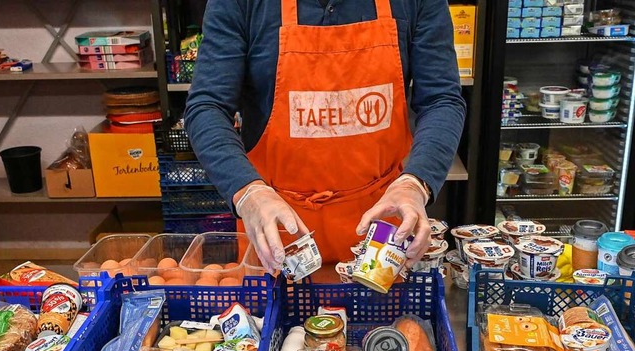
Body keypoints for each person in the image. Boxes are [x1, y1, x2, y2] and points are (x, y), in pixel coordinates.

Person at [185, 0, 466, 272]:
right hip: (277, 228)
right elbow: (207, 106)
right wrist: (248, 192)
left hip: (381, 234)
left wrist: (416, 184)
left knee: (386, 321)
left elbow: (441, 99)